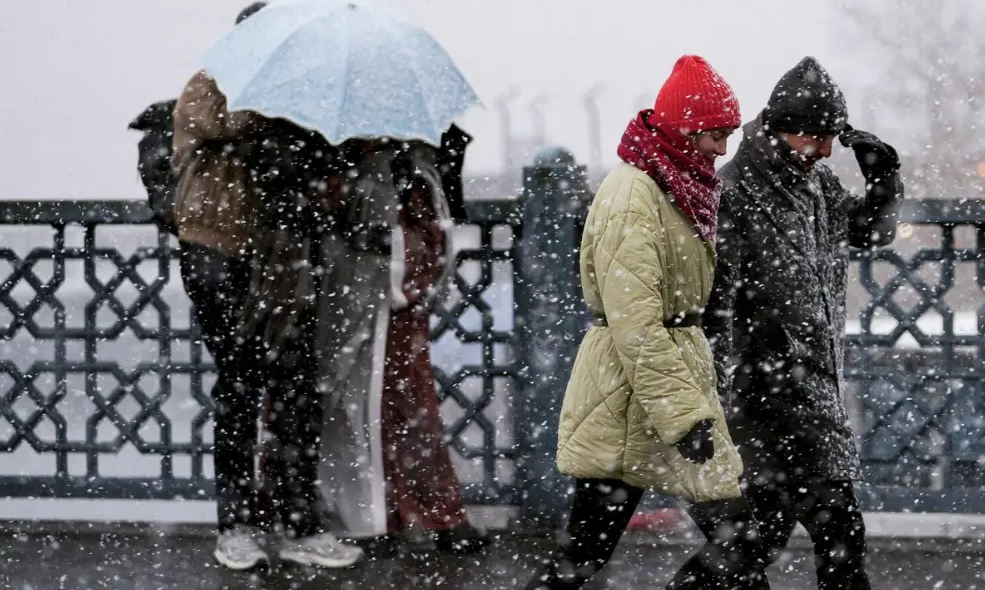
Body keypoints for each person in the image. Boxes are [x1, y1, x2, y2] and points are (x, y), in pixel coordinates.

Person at [524, 56, 768, 590]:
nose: (722, 149)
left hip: (658, 387)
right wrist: (684, 416)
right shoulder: (634, 195)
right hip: (633, 395)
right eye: (716, 135)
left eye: (729, 135)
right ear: (686, 129)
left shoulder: (672, 184)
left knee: (735, 545)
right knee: (593, 553)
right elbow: (635, 323)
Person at [701, 56, 905, 590]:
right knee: (763, 545)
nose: (825, 150)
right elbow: (714, 311)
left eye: (831, 138)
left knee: (815, 539)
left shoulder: (815, 186)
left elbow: (871, 232)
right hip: (759, 400)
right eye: (814, 137)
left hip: (808, 394)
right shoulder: (735, 192)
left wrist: (883, 178)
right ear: (779, 128)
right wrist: (714, 403)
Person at [172, 0, 362, 570]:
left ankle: (301, 524)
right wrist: (279, 103)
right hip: (219, 250)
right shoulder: (211, 82)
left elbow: (325, 161)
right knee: (239, 385)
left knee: (298, 386)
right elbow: (221, 127)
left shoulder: (298, 99)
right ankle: (236, 526)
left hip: (285, 256)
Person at [293, 134, 486, 554]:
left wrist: (383, 248)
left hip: (376, 310)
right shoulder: (378, 165)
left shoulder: (404, 169)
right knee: (359, 408)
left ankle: (399, 515)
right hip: (346, 306)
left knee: (394, 407)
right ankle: (380, 516)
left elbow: (428, 243)